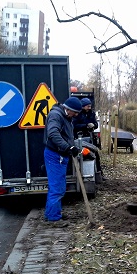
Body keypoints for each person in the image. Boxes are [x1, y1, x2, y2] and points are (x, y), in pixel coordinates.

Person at [43, 97, 83, 227]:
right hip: (55, 155)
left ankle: (53, 213)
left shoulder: (65, 116)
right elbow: (53, 133)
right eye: (75, 112)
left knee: (58, 186)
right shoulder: (56, 115)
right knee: (57, 187)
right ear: (68, 109)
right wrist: (68, 147)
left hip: (60, 154)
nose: (76, 115)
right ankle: (54, 219)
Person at [72, 98, 104, 178]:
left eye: (90, 106)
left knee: (95, 155)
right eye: (88, 106)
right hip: (79, 139)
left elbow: (95, 124)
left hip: (90, 138)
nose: (89, 108)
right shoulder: (77, 114)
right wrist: (85, 126)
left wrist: (94, 125)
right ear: (83, 106)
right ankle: (81, 174)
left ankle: (98, 173)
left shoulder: (91, 114)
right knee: (82, 156)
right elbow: (74, 126)